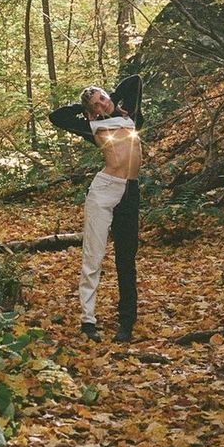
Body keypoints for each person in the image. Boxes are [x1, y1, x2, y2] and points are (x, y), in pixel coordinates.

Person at [48, 74, 143, 342]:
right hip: (104, 192)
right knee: (94, 255)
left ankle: (126, 321)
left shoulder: (132, 116)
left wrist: (110, 99)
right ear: (92, 112)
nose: (102, 104)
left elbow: (134, 81)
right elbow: (57, 116)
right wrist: (86, 109)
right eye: (96, 105)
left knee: (126, 258)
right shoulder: (93, 127)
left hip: (130, 192)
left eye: (102, 98)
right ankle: (88, 321)